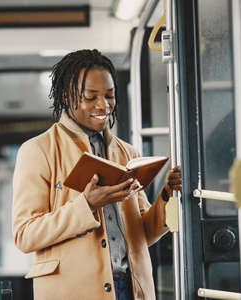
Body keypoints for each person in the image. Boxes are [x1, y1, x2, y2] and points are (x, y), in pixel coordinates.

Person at [12, 49, 182, 300]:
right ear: (65, 96)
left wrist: (168, 194)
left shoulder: (127, 152)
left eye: (110, 96)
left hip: (132, 289)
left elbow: (144, 234)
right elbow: (25, 235)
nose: (103, 106)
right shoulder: (38, 151)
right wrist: (87, 205)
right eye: (91, 97)